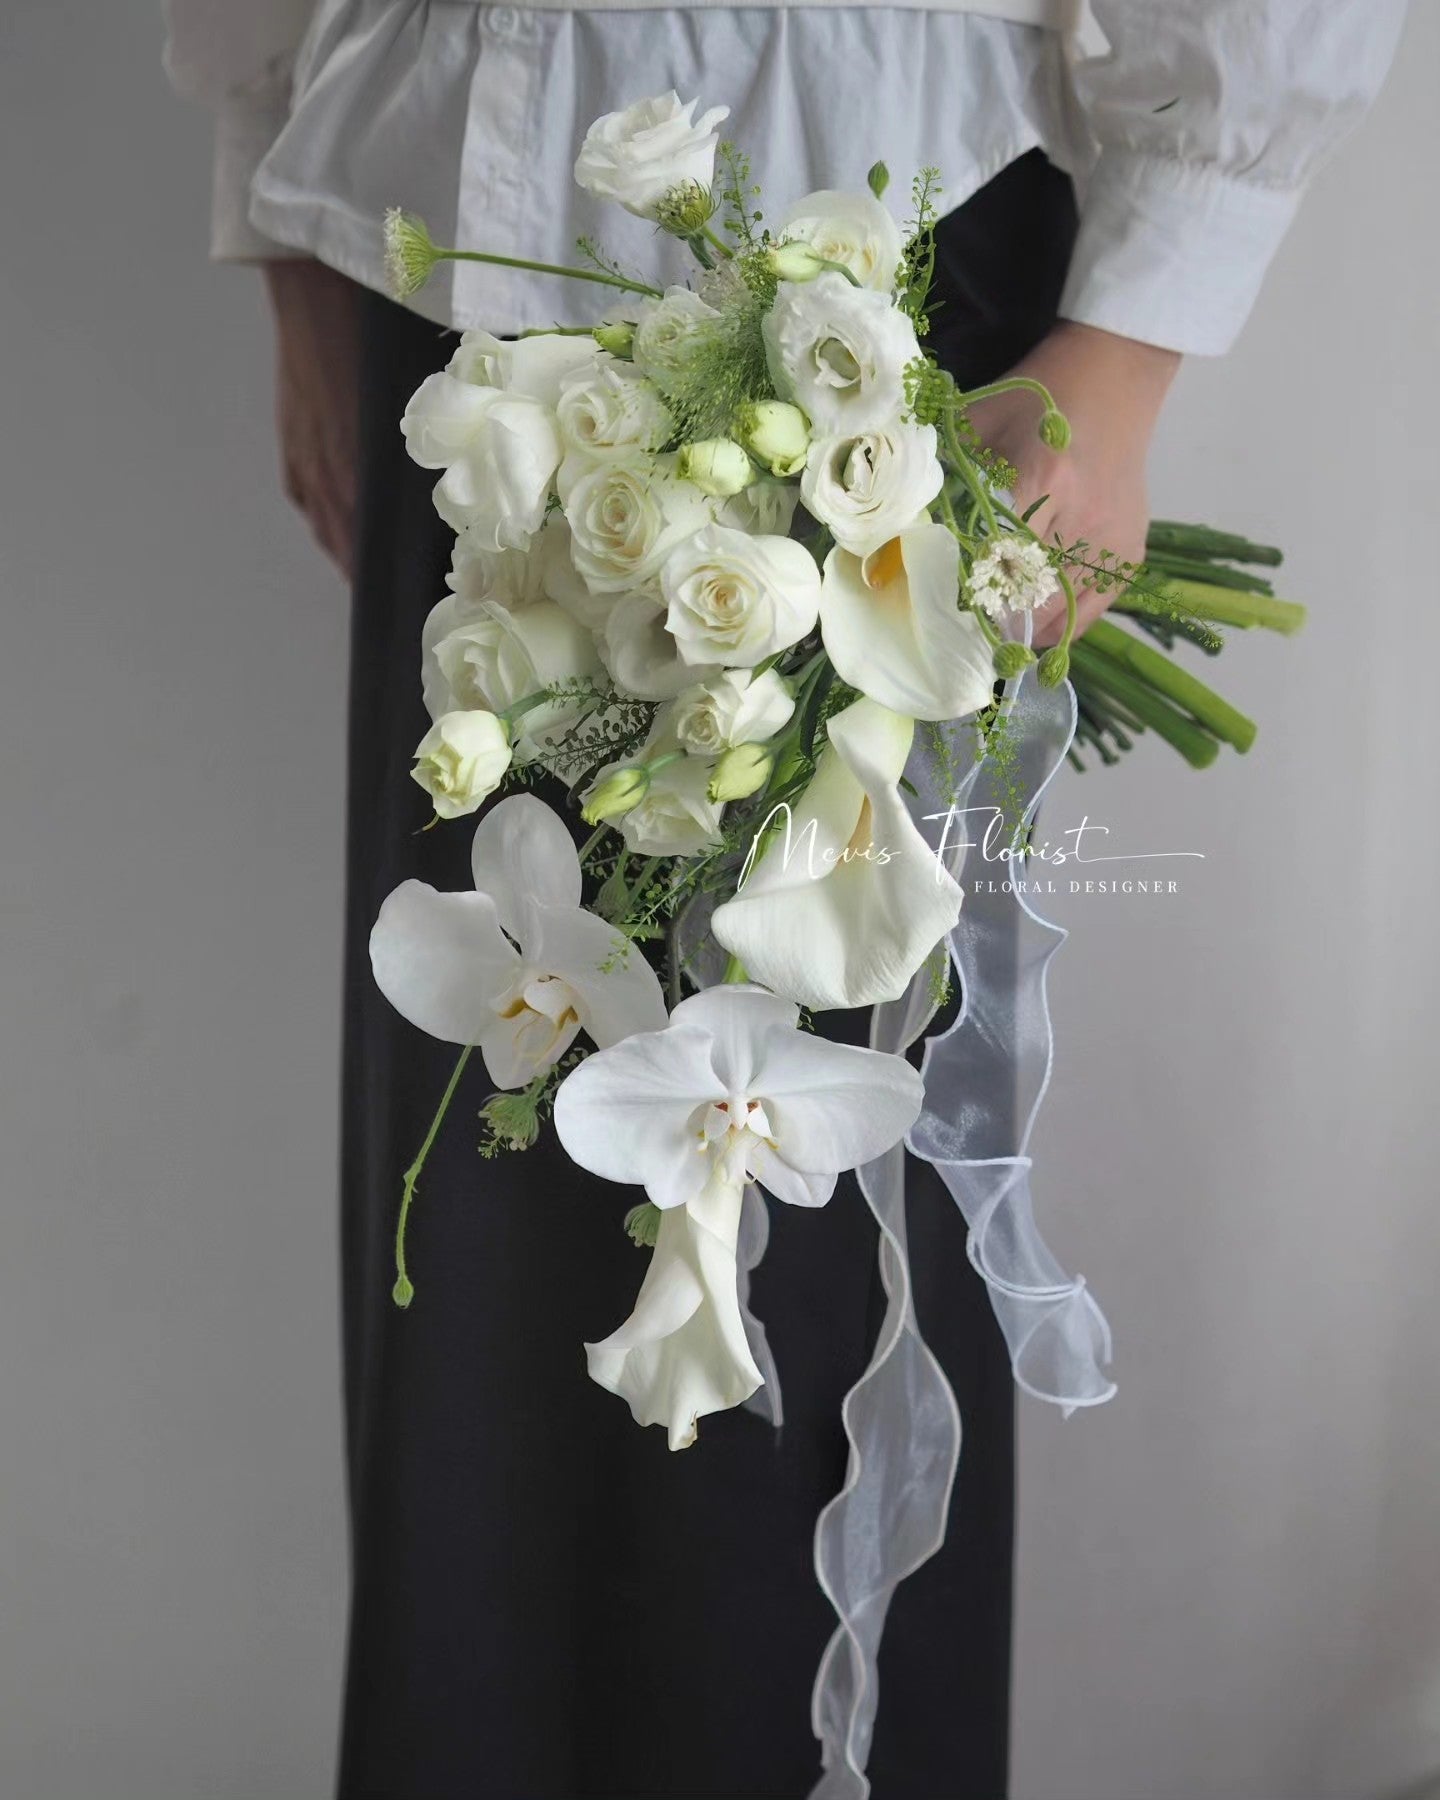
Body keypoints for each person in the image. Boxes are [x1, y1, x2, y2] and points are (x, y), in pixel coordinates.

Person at [165, 4, 1404, 1794]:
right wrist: (288, 232)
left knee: (829, 1197)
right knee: (489, 1247)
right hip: (450, 244)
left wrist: (1122, 363)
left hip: (893, 250)